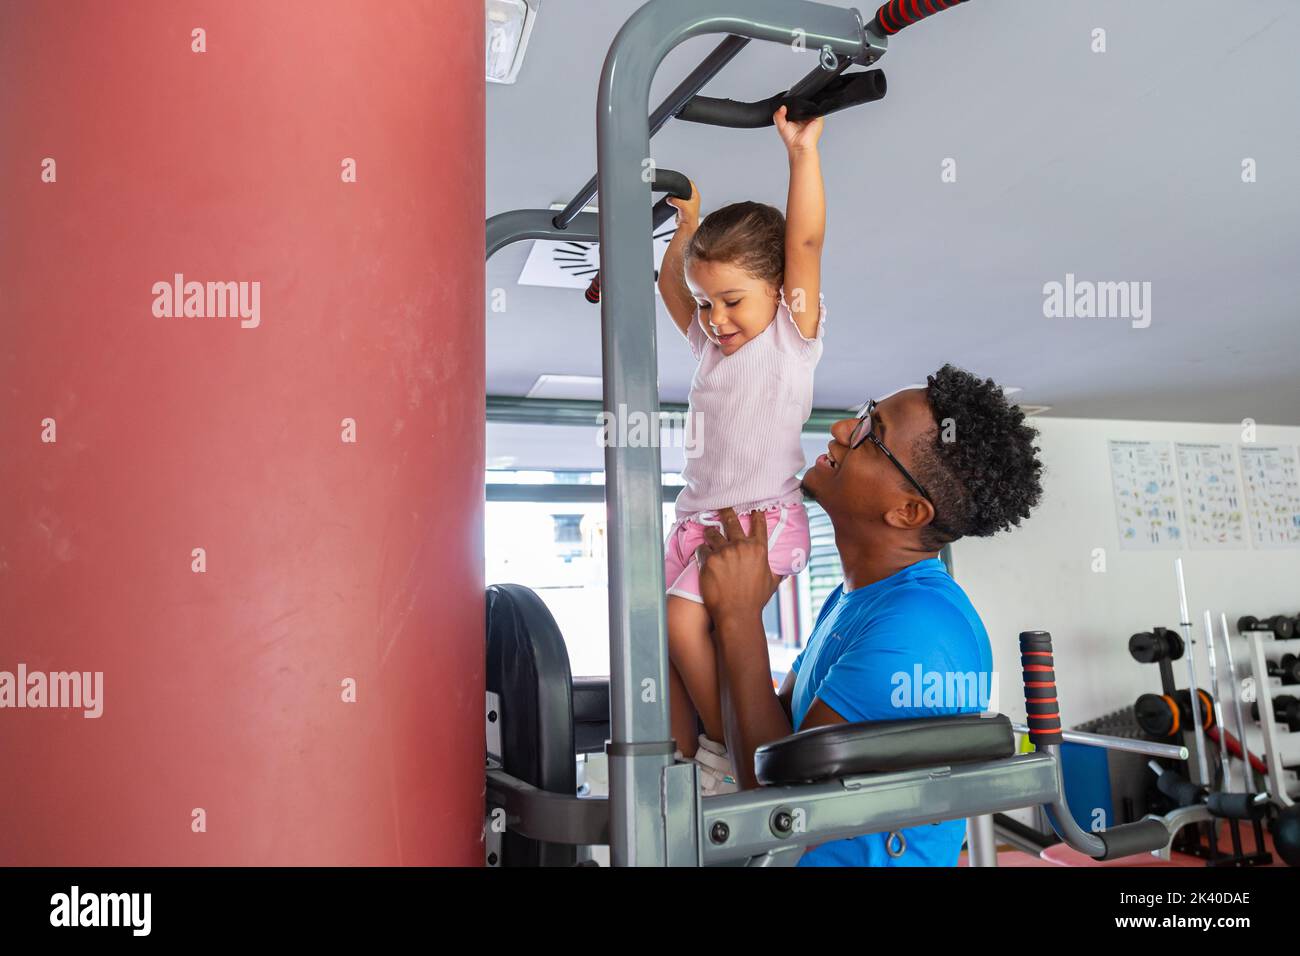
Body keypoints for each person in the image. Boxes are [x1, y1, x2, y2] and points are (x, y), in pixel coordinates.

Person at [694, 365, 1045, 864]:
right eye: (864, 415)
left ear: (907, 511)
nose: (841, 430)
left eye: (869, 434)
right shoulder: (856, 598)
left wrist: (739, 617)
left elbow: (779, 809)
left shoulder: (918, 627)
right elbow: (775, 733)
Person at [656, 106, 828, 794]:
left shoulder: (790, 337)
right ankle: (699, 753)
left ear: (774, 293)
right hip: (698, 517)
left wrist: (802, 156)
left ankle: (729, 751)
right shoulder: (709, 345)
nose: (714, 318)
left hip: (760, 519)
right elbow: (673, 286)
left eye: (730, 301)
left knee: (679, 620)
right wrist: (685, 229)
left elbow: (807, 244)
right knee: (664, 639)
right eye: (707, 304)